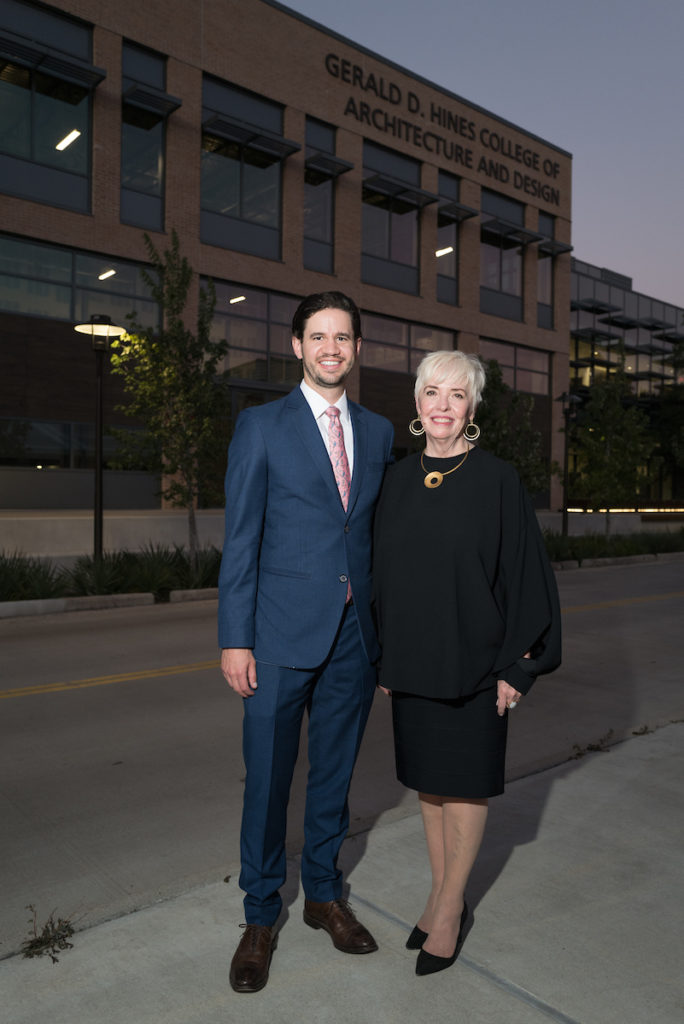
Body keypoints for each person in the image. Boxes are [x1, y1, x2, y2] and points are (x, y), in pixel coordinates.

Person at [218, 291, 394, 993]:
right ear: (296, 345)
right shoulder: (261, 427)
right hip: (277, 635)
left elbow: (376, 539)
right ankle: (261, 915)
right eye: (318, 335)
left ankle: (323, 895)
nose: (331, 348)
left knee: (334, 776)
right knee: (267, 784)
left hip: (354, 636)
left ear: (356, 347)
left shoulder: (378, 432)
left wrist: (390, 638)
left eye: (343, 336)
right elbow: (240, 542)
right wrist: (236, 639)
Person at [372, 349, 561, 977]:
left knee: (467, 786)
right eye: (433, 393)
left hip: (480, 666)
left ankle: (450, 911)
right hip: (415, 663)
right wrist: (386, 658)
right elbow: (385, 578)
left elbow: (527, 579)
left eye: (457, 395)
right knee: (430, 786)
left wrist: (519, 667)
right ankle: (438, 895)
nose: (444, 406)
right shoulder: (396, 479)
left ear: (472, 407)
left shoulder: (498, 480)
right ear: (418, 404)